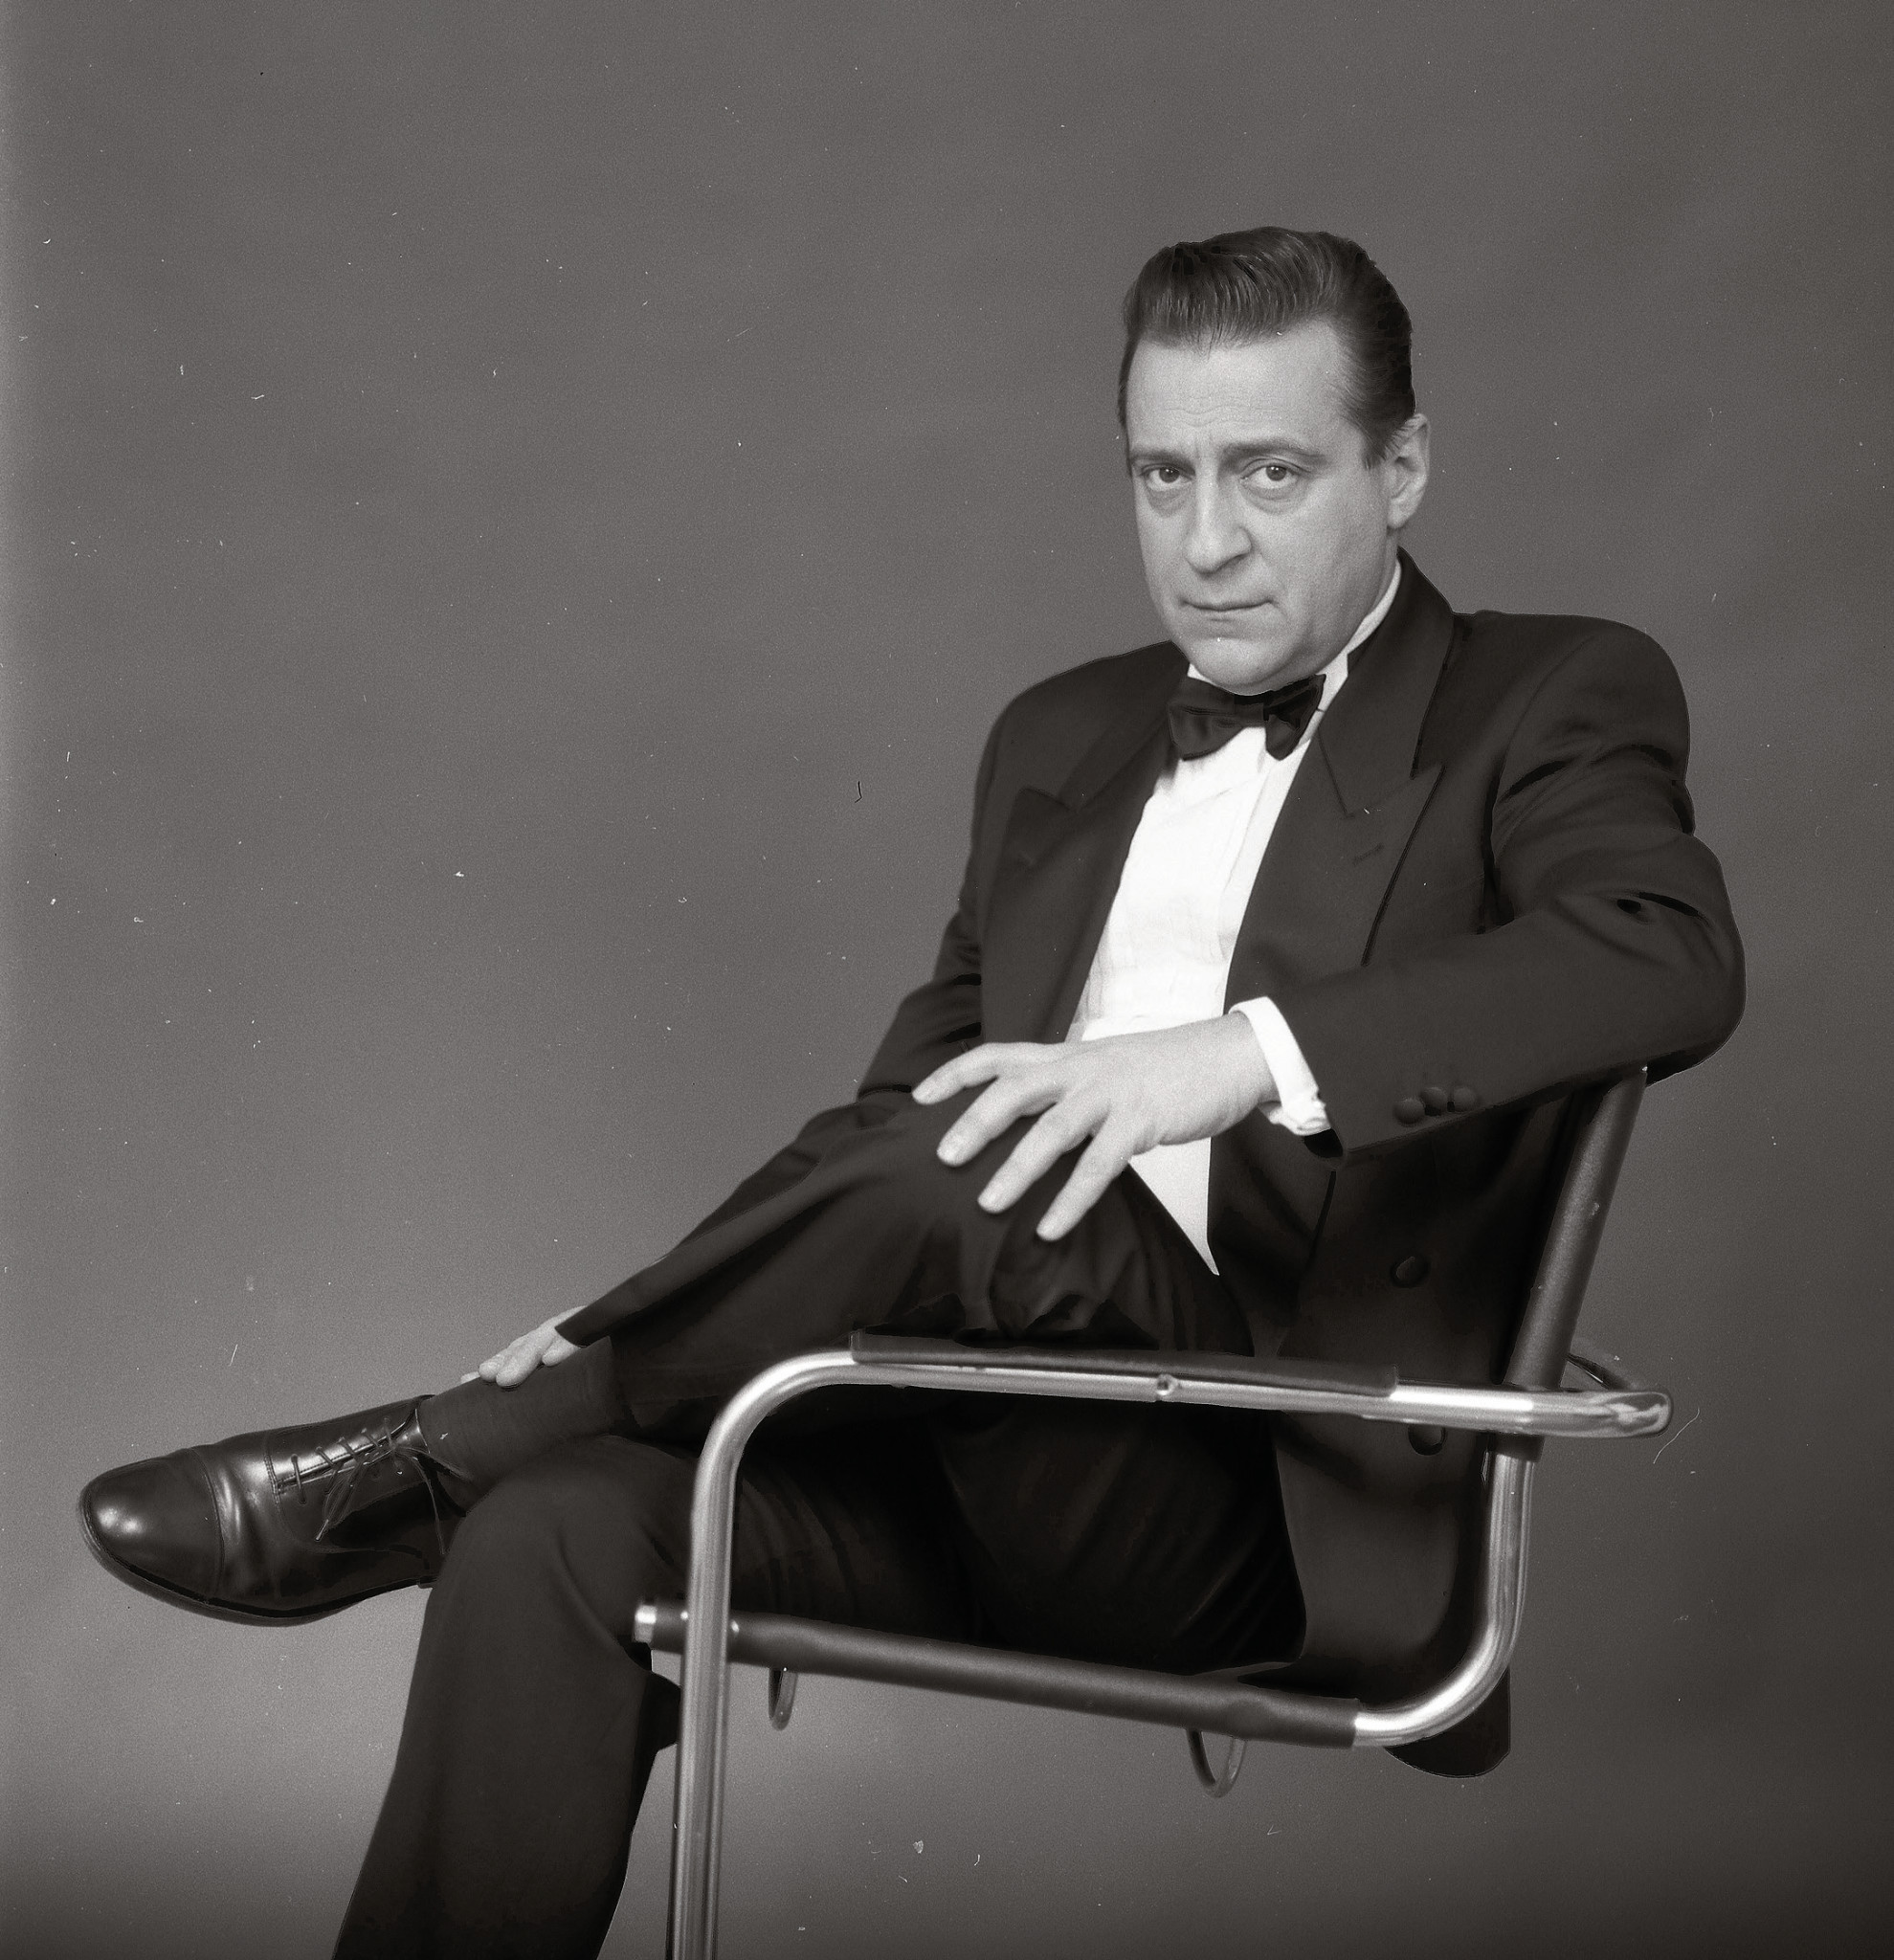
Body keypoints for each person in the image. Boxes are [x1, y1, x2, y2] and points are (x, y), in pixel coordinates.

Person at [78, 227, 1743, 1958]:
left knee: (989, 1167)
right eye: (1161, 476)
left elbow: (1666, 952)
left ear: (1401, 471)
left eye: (1270, 474)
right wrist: (634, 1314)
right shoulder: (1058, 735)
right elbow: (891, 1136)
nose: (1205, 542)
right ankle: (492, 1467)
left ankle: (424, 1463)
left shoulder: (1549, 692)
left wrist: (1231, 1056)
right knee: (555, 1531)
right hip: (955, 1446)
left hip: (1261, 1514)